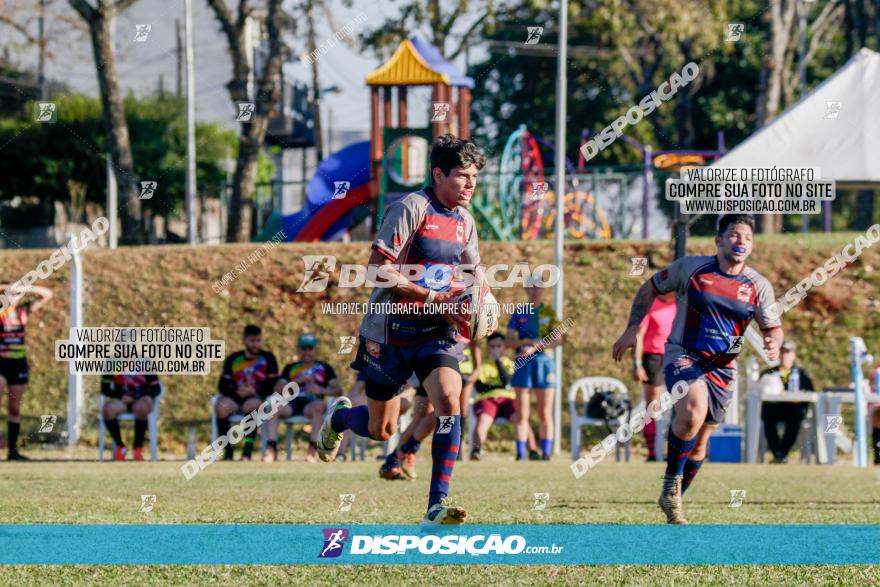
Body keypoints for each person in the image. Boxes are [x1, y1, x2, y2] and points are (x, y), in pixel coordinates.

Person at [316, 134, 486, 524]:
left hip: (436, 332)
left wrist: (483, 302)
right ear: (438, 173)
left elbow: (474, 272)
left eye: (475, 176)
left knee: (449, 401)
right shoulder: (410, 207)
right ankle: (340, 418)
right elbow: (377, 268)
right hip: (389, 330)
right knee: (382, 429)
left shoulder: (465, 221)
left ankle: (436, 506)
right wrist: (428, 295)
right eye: (462, 176)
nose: (470, 184)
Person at [612, 214, 783, 524]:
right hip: (683, 354)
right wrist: (632, 328)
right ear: (718, 241)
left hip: (723, 368)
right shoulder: (691, 268)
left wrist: (773, 341)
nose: (741, 241)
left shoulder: (759, 286)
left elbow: (773, 326)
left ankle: (673, 498)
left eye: (747, 236)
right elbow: (649, 287)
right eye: (733, 234)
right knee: (692, 410)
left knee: (701, 440)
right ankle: (670, 483)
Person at [506, 275, 562, 460]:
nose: (534, 290)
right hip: (522, 364)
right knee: (522, 413)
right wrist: (527, 342)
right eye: (530, 287)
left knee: (545, 412)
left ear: (543, 289)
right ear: (525, 289)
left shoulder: (550, 314)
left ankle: (546, 453)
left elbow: (558, 340)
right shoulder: (519, 312)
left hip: (545, 365)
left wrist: (536, 347)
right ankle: (521, 453)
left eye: (538, 287)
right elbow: (509, 341)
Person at [265, 333, 342, 462]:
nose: (307, 352)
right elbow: (277, 389)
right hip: (291, 403)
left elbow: (338, 390)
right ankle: (271, 449)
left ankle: (312, 450)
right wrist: (296, 382)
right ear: (298, 350)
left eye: (310, 348)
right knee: (273, 406)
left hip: (311, 403)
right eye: (303, 348)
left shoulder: (324, 368)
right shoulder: (290, 368)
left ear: (315, 349)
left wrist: (321, 390)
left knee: (318, 406)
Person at [0, 284, 52, 460]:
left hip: (18, 364)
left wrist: (26, 287)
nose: (13, 297)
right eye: (9, 294)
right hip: (0, 363)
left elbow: (47, 294)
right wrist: (5, 287)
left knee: (14, 409)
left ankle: (12, 452)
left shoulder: (23, 310)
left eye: (17, 294)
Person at [215, 325, 278, 461]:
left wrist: (255, 390)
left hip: (257, 397)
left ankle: (247, 452)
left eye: (258, 341)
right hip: (235, 396)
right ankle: (228, 451)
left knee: (253, 405)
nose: (256, 344)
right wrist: (237, 391)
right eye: (252, 341)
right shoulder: (233, 359)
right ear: (244, 340)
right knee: (220, 407)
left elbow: (273, 384)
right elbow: (222, 385)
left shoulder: (268, 358)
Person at [632, 290, 676, 461]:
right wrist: (637, 364)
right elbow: (639, 336)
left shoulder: (680, 305)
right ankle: (652, 451)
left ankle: (673, 449)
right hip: (653, 358)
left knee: (681, 403)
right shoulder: (651, 305)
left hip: (674, 355)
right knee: (652, 406)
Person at [759, 340, 816, 464]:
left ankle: (782, 453)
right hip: (774, 409)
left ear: (794, 355)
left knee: (795, 416)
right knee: (768, 416)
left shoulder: (802, 375)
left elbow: (810, 392)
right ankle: (777, 452)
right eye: (783, 352)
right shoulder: (769, 373)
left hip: (793, 411)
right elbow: (760, 391)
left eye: (788, 352)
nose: (785, 355)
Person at [470, 332, 517, 460]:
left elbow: (507, 382)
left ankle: (529, 450)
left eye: (498, 346)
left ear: (504, 347)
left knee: (520, 418)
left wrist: (498, 363)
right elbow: (479, 387)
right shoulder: (482, 365)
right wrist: (498, 387)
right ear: (487, 347)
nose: (495, 349)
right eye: (492, 346)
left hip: (508, 399)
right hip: (487, 399)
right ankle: (477, 450)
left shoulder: (509, 364)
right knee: (483, 420)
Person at [100, 372, 162, 460]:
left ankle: (137, 448)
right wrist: (120, 396)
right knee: (108, 410)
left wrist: (149, 396)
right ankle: (120, 447)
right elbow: (104, 388)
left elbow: (156, 388)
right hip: (121, 401)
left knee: (142, 408)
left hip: (140, 400)